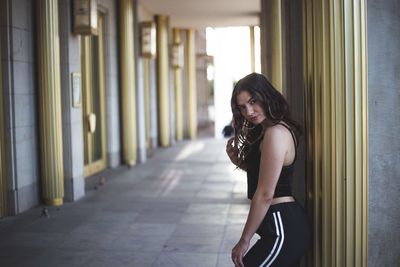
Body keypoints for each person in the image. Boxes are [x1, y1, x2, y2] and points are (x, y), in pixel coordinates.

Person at [226, 73, 311, 267]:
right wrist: (240, 162)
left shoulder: (275, 133)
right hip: (280, 224)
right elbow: (269, 174)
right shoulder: (269, 130)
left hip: (283, 226)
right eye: (242, 107)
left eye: (253, 101)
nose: (249, 111)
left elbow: (265, 193)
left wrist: (244, 240)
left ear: (266, 96)